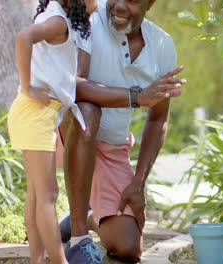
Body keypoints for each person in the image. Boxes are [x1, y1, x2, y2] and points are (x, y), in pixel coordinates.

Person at [55, 0, 186, 262]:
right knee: (88, 111)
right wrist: (137, 96)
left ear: (150, 4)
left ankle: (86, 217)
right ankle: (80, 240)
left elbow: (157, 119)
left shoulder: (161, 45)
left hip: (112, 147)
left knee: (128, 249)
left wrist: (138, 184)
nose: (120, 7)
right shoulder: (90, 20)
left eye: (133, 1)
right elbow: (73, 87)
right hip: (71, 132)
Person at [7, 0, 97, 263]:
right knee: (48, 195)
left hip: (38, 113)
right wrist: (27, 87)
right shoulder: (58, 22)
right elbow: (23, 38)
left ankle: (37, 259)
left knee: (37, 194)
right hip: (35, 113)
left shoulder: (60, 18)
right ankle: (60, 261)